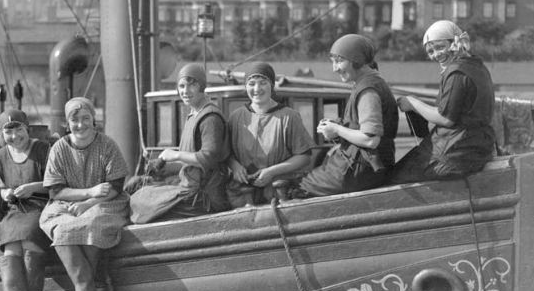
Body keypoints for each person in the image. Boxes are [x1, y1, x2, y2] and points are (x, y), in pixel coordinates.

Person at [39, 97, 129, 291]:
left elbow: (116, 186)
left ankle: (89, 290)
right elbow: (55, 190)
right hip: (67, 201)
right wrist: (88, 192)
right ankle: (86, 288)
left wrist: (89, 203)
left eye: (86, 118)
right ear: (67, 123)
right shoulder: (59, 149)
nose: (81, 124)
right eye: (75, 120)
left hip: (105, 202)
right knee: (60, 227)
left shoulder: (107, 145)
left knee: (92, 223)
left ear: (93, 119)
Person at [291, 34, 398, 198]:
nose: (335, 68)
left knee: (298, 186)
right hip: (363, 166)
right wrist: (337, 127)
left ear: (357, 60)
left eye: (339, 61)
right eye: (333, 62)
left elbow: (370, 140)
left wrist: (337, 129)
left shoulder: (368, 91)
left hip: (360, 169)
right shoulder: (370, 83)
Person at [391, 20, 495, 183]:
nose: (436, 55)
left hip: (457, 149)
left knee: (395, 176)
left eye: (440, 47)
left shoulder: (457, 72)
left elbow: (445, 118)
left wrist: (412, 103)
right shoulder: (477, 66)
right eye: (431, 51)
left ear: (455, 42)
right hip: (478, 146)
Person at [128, 63, 230, 223]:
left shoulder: (210, 118)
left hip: (203, 197)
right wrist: (165, 165)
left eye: (192, 85)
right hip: (189, 187)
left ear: (202, 87)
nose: (185, 91)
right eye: (182, 86)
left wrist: (176, 155)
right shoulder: (193, 115)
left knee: (140, 204)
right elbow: (191, 162)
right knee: (136, 186)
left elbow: (208, 159)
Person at [0, 108, 51, 291]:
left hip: (42, 205)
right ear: (2, 134)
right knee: (10, 248)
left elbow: (57, 183)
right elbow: (1, 186)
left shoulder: (43, 150)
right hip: (16, 209)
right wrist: (6, 193)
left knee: (28, 239)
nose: (14, 136)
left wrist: (33, 187)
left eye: (18, 130)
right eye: (8, 132)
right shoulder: (0, 157)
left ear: (27, 129)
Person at [226, 62, 315, 207]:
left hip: (279, 196)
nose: (257, 89)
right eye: (251, 84)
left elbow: (304, 157)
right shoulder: (236, 118)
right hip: (242, 197)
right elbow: (225, 153)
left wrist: (271, 172)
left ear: (272, 85)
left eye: (263, 83)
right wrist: (235, 167)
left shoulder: (289, 117)